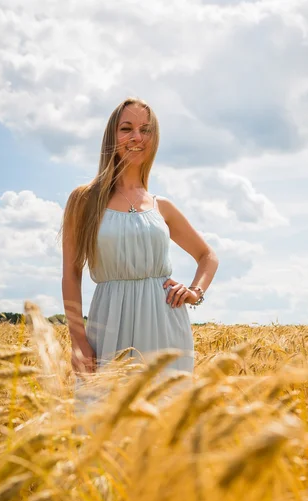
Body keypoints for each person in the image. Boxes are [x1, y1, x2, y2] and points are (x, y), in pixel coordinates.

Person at [60, 96, 219, 380]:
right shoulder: (84, 200)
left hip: (167, 328)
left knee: (166, 419)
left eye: (146, 129)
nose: (137, 137)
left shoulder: (162, 207)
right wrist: (78, 340)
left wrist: (195, 292)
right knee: (103, 416)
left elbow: (207, 256)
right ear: (112, 136)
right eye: (127, 128)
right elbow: (71, 274)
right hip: (108, 327)